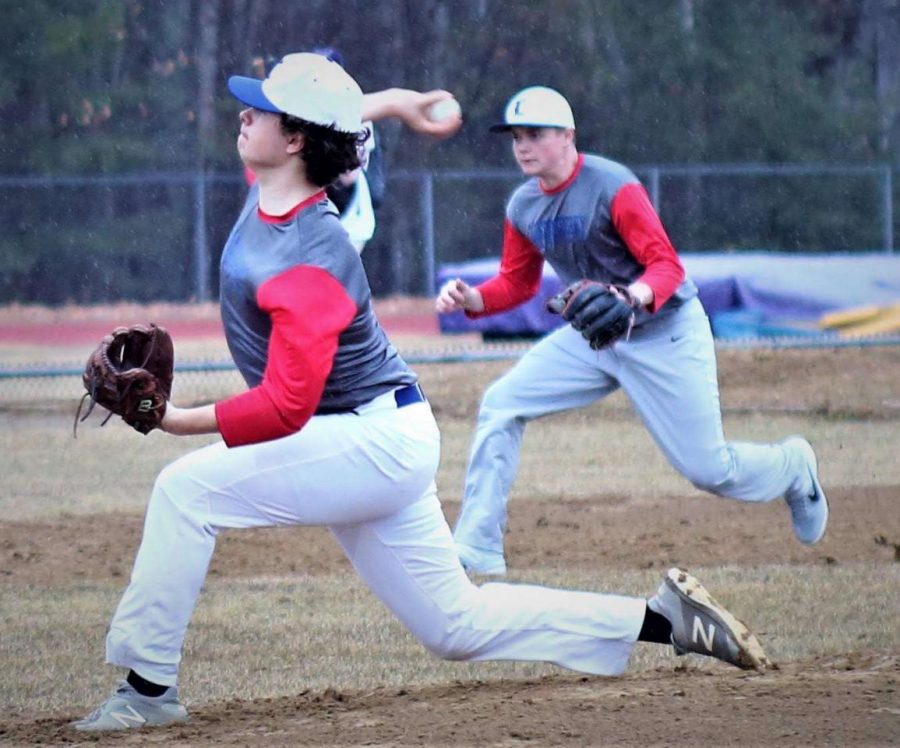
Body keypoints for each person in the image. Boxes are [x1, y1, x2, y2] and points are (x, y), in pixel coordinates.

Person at [71, 57, 768, 732]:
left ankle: (147, 687)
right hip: (376, 434)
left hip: (365, 440)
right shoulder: (280, 182)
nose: (243, 113)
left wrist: (173, 419)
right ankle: (664, 619)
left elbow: (288, 406)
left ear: (293, 140)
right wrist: (399, 100)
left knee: (184, 492)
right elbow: (341, 127)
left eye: (262, 109)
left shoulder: (312, 257)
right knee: (454, 626)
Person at [436, 86, 829, 577]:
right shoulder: (523, 205)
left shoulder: (611, 185)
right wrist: (473, 300)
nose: (522, 146)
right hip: (593, 339)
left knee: (711, 471)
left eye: (535, 134)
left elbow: (666, 265)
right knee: (501, 404)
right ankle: (478, 547)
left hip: (664, 331)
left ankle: (793, 468)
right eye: (516, 136)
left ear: (568, 136)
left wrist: (630, 297)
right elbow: (517, 282)